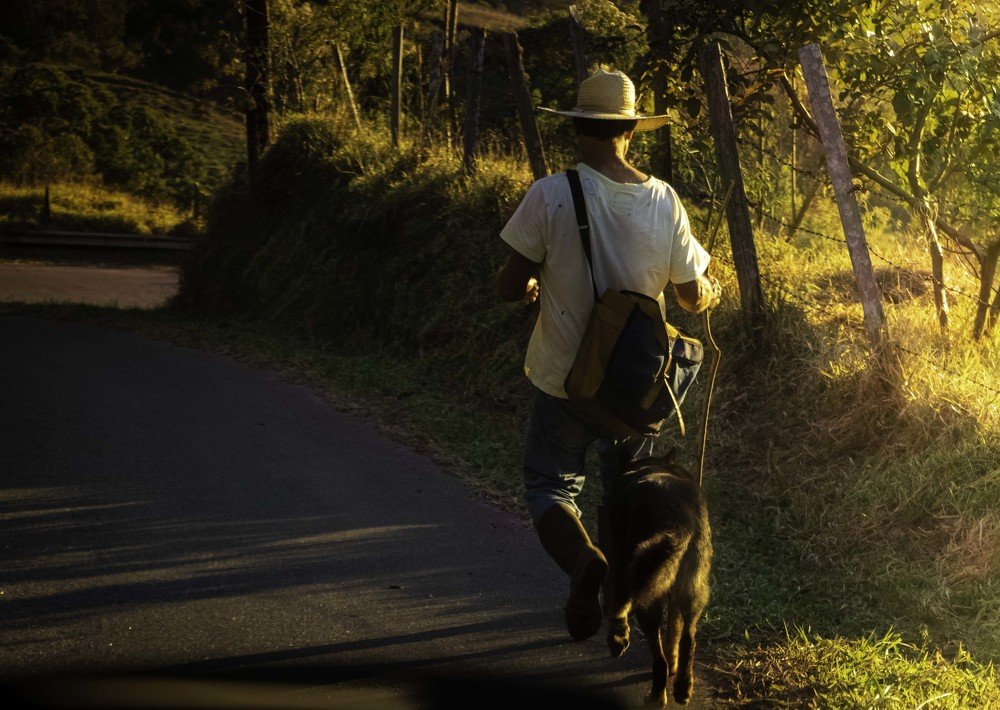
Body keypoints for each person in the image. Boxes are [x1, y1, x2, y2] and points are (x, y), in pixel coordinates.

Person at [495, 69, 721, 642]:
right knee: (625, 497)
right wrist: (710, 291)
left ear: (578, 131)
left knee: (550, 486)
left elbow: (507, 283)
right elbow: (692, 296)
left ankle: (582, 564)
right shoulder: (664, 200)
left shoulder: (549, 194)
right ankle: (620, 601)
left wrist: (530, 287)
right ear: (630, 131)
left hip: (563, 379)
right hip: (635, 389)